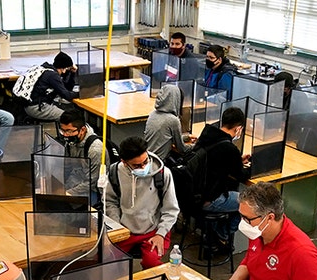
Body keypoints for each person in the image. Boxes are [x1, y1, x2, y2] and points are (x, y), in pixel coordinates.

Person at [104, 136, 180, 268]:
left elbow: (171, 210)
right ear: (124, 162)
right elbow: (110, 201)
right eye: (137, 165)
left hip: (153, 229)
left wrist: (160, 234)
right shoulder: (114, 173)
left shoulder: (162, 174)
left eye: (146, 161)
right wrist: (116, 227)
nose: (143, 167)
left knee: (152, 264)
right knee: (105, 259)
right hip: (124, 229)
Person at [193, 106, 251, 252]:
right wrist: (252, 167)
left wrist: (236, 160)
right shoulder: (229, 148)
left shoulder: (206, 135)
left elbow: (215, 161)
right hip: (209, 199)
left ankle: (213, 234)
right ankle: (222, 235)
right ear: (238, 128)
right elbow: (241, 176)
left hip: (192, 196)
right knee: (248, 203)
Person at [57, 109, 105, 207]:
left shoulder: (95, 150)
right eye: (63, 131)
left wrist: (68, 193)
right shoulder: (71, 142)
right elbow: (67, 167)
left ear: (82, 130)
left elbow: (92, 182)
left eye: (69, 131)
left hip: (91, 190)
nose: (65, 135)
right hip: (74, 181)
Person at [144, 84, 195, 162]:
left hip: (148, 158)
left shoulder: (153, 114)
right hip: (160, 162)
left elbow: (165, 138)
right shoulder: (172, 120)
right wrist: (197, 145)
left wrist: (187, 137)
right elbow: (182, 149)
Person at [23, 52, 79, 122]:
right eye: (66, 69)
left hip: (30, 105)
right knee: (68, 118)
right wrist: (83, 93)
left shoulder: (46, 69)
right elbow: (67, 95)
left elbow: (66, 89)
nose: (65, 72)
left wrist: (72, 73)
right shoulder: (52, 76)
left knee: (66, 110)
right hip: (37, 107)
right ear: (63, 68)